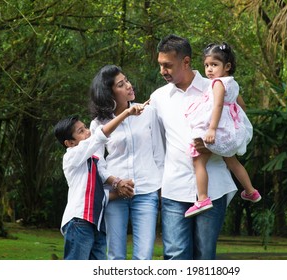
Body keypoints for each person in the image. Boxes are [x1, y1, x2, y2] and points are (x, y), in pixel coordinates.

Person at [149, 34, 237, 260]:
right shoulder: (158, 98)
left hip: (213, 188)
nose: (162, 71)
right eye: (160, 65)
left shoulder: (218, 88)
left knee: (205, 256)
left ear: (186, 62)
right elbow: (158, 146)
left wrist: (216, 146)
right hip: (174, 189)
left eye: (167, 65)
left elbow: (241, 132)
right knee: (175, 255)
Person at [89, 65, 164, 260]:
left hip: (146, 191)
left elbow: (159, 154)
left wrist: (161, 188)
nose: (129, 86)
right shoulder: (99, 123)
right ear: (109, 93)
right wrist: (116, 183)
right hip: (115, 194)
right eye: (121, 84)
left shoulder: (148, 112)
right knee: (115, 256)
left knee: (144, 256)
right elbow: (97, 163)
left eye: (127, 80)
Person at [54, 104, 146, 260]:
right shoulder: (71, 157)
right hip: (79, 221)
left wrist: (122, 189)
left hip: (97, 224)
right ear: (69, 143)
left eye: (85, 127)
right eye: (81, 131)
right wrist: (125, 113)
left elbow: (99, 195)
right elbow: (99, 137)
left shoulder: (92, 161)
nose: (88, 131)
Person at [184, 42, 261, 218]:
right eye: (207, 65)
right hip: (228, 129)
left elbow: (218, 104)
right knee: (232, 161)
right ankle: (250, 191)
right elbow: (242, 105)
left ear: (227, 66)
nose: (209, 70)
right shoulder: (232, 84)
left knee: (198, 160)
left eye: (214, 65)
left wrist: (212, 129)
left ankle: (202, 198)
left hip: (216, 128)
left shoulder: (218, 83)